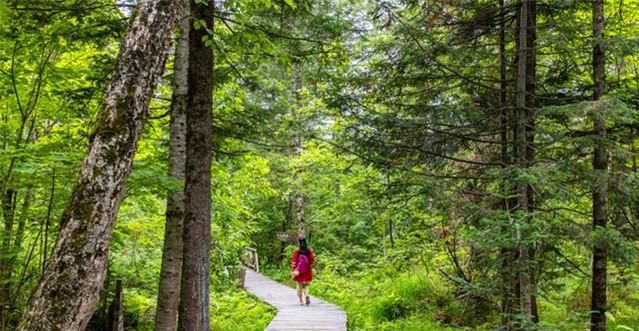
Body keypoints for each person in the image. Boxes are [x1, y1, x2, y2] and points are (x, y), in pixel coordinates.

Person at [291, 237, 314, 305]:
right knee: (306, 285)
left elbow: (294, 262)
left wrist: (293, 271)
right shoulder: (309, 251)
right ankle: (306, 295)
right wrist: (308, 265)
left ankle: (301, 300)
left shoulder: (297, 251)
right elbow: (312, 260)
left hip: (298, 272)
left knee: (299, 285)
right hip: (307, 271)